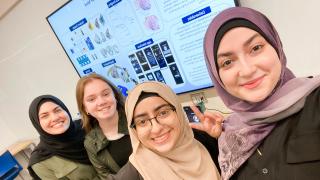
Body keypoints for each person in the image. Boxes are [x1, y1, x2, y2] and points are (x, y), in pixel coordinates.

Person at [201, 6, 320, 180]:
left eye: (255, 48)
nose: (247, 70)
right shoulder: (231, 134)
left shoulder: (314, 102)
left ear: (275, 45)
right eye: (227, 62)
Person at [108, 81, 220, 180]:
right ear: (134, 130)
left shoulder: (204, 139)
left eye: (163, 113)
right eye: (142, 122)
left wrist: (222, 137)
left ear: (178, 112)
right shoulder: (135, 173)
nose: (156, 129)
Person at [76, 73, 132, 179]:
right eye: (91, 99)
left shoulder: (137, 117)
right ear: (85, 108)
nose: (101, 102)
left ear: (114, 95)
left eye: (106, 94)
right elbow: (106, 177)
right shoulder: (91, 143)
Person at [28, 95, 97, 179]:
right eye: (45, 116)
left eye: (57, 110)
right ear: (37, 123)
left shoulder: (88, 125)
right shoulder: (40, 161)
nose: (55, 118)